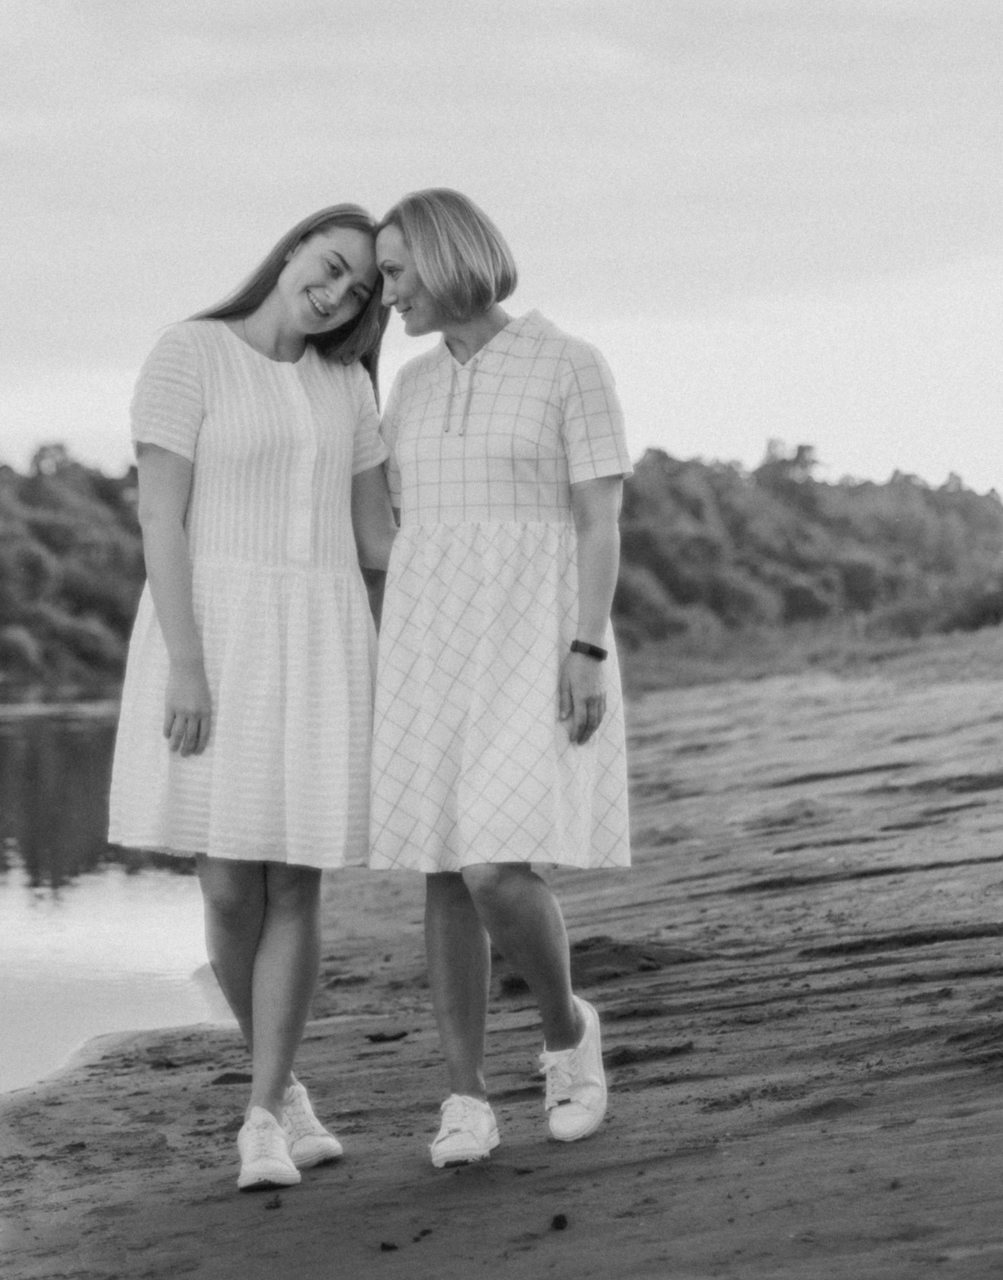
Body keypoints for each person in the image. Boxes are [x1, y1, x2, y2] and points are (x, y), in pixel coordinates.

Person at [107, 204, 399, 1192]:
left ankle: (264, 1111)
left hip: (319, 635)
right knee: (229, 885)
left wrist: (493, 546)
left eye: (359, 291)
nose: (337, 293)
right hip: (214, 631)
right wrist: (188, 664)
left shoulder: (347, 385)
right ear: (293, 248)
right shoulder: (190, 353)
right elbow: (160, 516)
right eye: (331, 265)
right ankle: (288, 1089)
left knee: (295, 883)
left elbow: (375, 539)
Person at [368, 188, 632, 1168]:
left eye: (396, 272)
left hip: (536, 633)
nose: (387, 294)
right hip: (430, 640)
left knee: (493, 866)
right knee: (445, 867)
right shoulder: (409, 385)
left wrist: (587, 645)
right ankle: (465, 1095)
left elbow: (599, 519)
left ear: (447, 258)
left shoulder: (571, 363)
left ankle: (567, 1034)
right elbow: (390, 528)